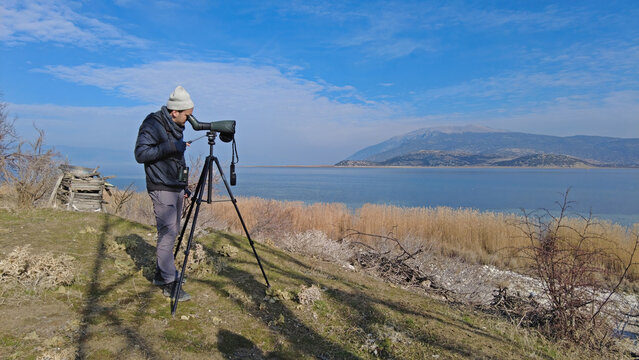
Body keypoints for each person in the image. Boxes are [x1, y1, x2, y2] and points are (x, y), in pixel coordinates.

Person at [134, 85, 194, 301]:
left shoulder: (174, 127)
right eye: (187, 115)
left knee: (172, 231)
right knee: (167, 234)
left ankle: (162, 274)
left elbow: (176, 159)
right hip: (160, 187)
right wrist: (172, 147)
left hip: (174, 187)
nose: (189, 120)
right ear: (174, 112)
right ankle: (169, 283)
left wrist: (183, 186)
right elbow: (141, 154)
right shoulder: (153, 124)